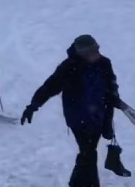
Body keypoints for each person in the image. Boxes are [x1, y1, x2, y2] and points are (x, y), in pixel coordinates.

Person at [21, 34, 121, 187]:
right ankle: (89, 184)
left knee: (88, 152)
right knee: (88, 151)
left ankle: (77, 182)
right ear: (83, 54)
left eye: (97, 50)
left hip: (98, 116)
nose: (97, 54)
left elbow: (111, 83)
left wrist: (113, 95)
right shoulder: (69, 67)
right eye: (93, 52)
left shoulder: (104, 63)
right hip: (77, 117)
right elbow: (50, 86)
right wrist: (33, 106)